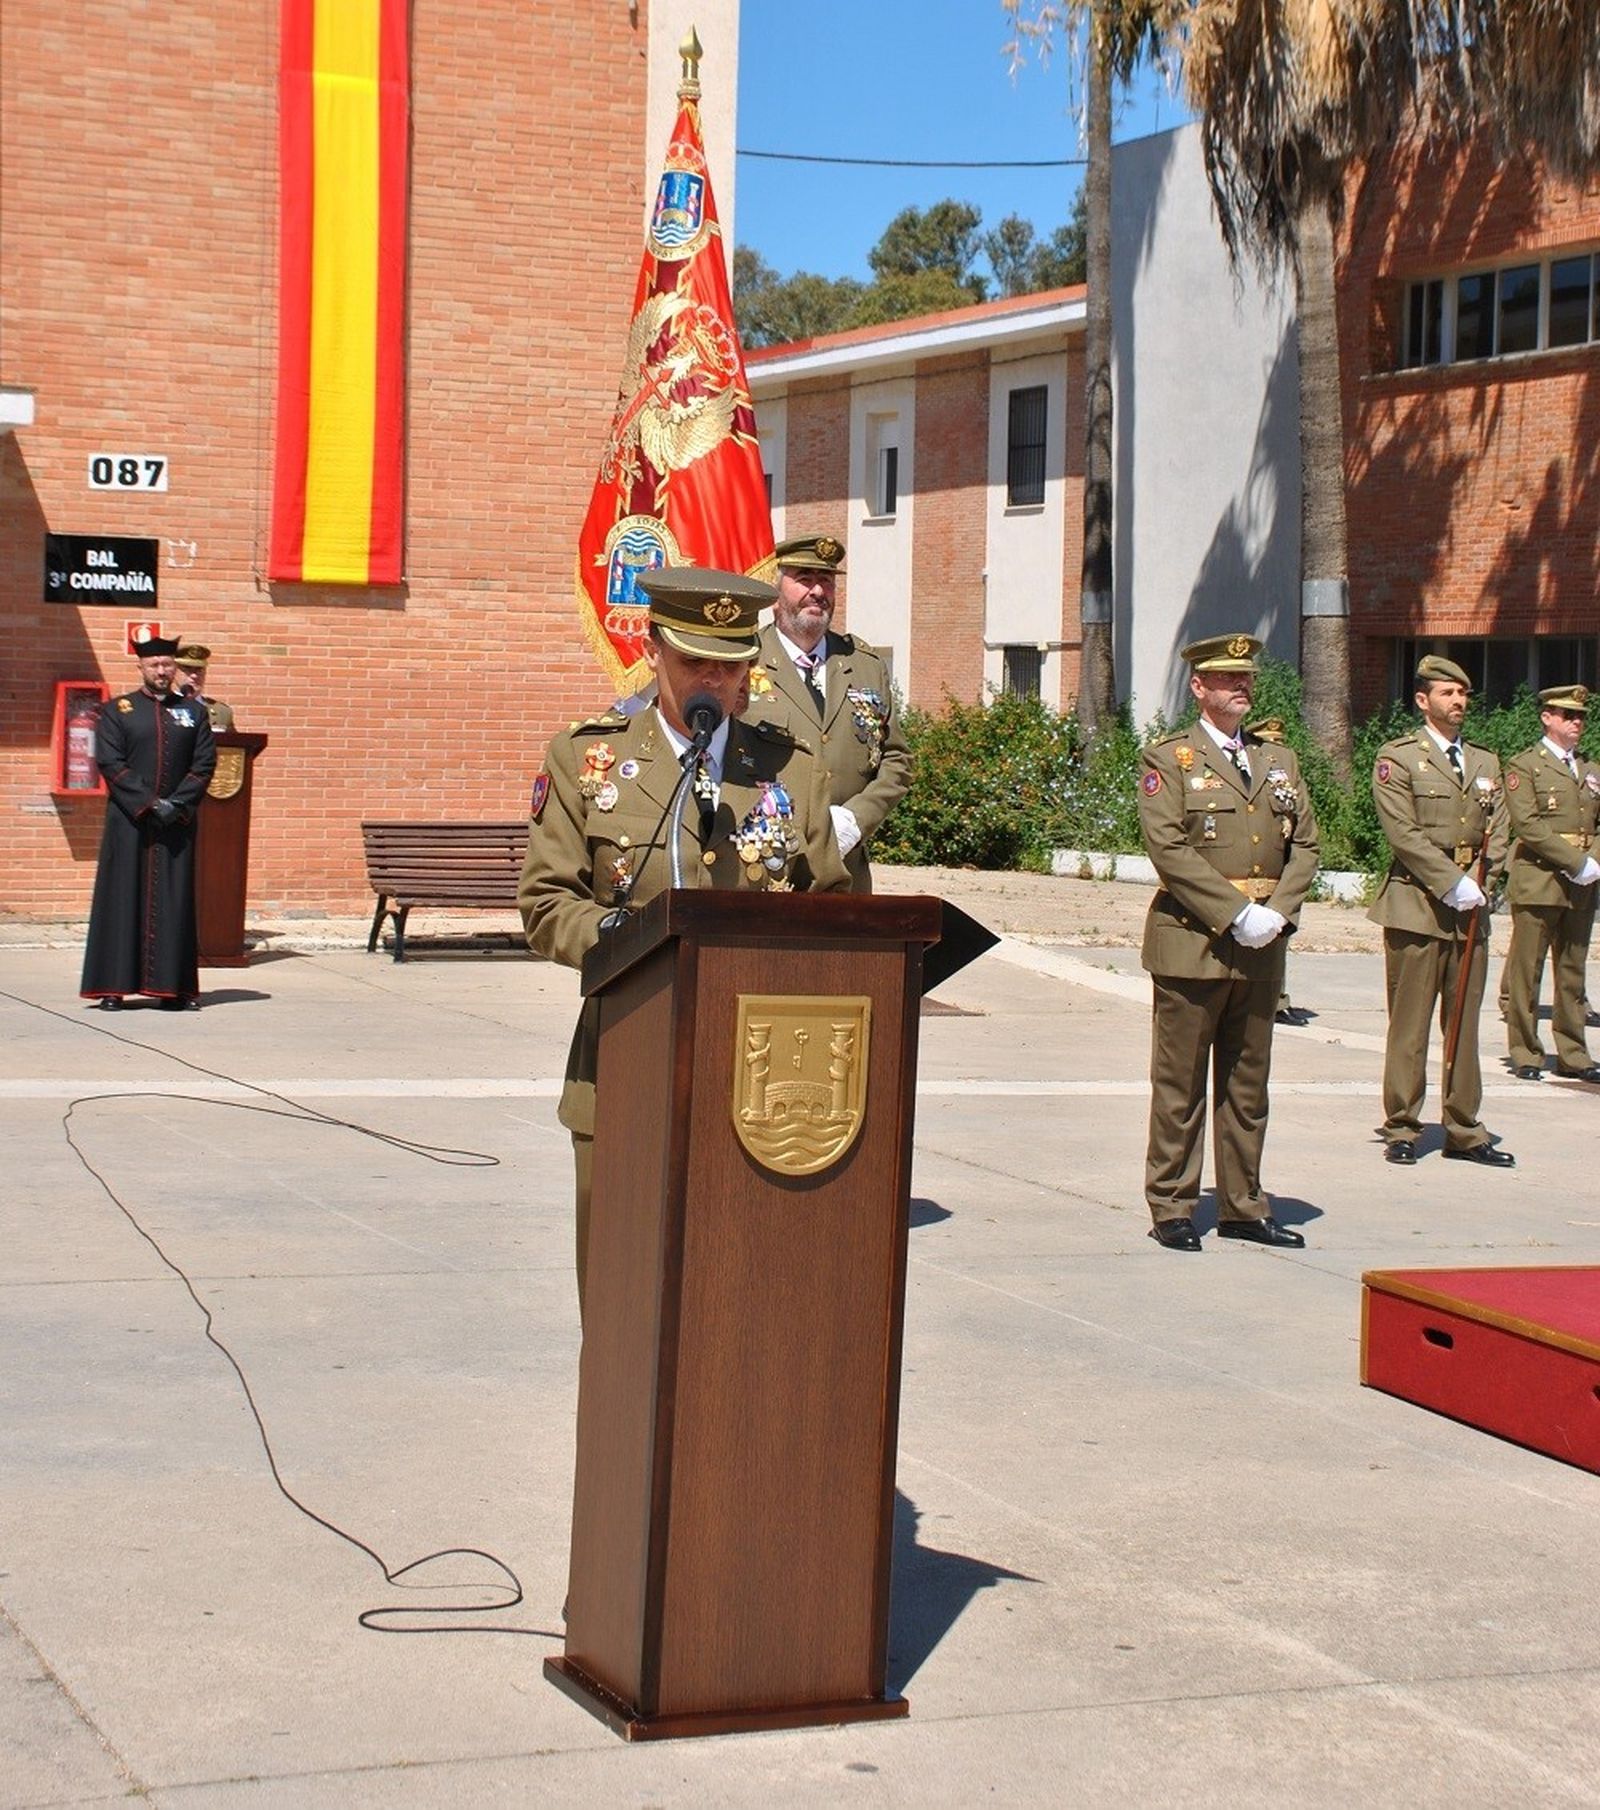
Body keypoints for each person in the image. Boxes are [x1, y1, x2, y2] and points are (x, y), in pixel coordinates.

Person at [519, 566, 850, 1317]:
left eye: (730, 664)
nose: (714, 680)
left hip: (763, 1084)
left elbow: (831, 902)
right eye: (695, 660)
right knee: (619, 1309)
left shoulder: (791, 769)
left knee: (741, 1307)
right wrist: (623, 937)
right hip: (625, 1063)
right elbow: (545, 904)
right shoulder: (585, 760)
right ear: (653, 650)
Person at [1137, 634, 1319, 1252]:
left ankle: (1243, 1203)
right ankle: (1172, 1204)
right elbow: (1169, 848)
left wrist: (1279, 912)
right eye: (1225, 678)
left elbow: (1307, 845)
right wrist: (1235, 912)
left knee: (1247, 1084)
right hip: (1194, 942)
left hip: (1264, 944)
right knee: (1181, 1085)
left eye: (1245, 677)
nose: (1240, 686)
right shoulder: (1170, 759)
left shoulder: (1280, 760)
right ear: (1199, 687)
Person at [1369, 654, 1513, 1166]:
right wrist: (1450, 880)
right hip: (1416, 905)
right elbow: (1402, 833)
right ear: (1422, 700)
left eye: (1464, 694)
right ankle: (1403, 1125)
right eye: (1448, 694)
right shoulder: (1398, 757)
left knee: (1464, 1024)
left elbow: (1502, 830)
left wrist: (1483, 881)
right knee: (1410, 1024)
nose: (1459, 702)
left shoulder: (1485, 762)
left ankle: (1464, 1128)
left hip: (1469, 909)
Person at [744, 533, 911, 892]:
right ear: (776, 592)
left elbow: (896, 759)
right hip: (765, 868)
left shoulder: (864, 665)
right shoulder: (744, 661)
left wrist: (856, 818)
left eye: (826, 581)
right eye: (804, 579)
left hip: (845, 871)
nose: (818, 591)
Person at [79, 628, 217, 1010]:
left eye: (167, 664)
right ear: (141, 665)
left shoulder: (192, 712)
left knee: (174, 902)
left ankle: (173, 989)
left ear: (176, 668)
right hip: (130, 820)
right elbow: (110, 762)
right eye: (154, 663)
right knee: (120, 899)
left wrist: (177, 804)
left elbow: (204, 764)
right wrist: (149, 803)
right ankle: (112, 986)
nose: (161, 669)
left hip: (177, 823)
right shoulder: (117, 710)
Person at [1502, 683, 1600, 1083]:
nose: (1576, 722)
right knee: (1528, 971)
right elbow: (1528, 824)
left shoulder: (1591, 769)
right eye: (1567, 715)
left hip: (1582, 882)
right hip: (1540, 878)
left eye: (1580, 716)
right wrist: (1577, 861)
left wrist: (1592, 862)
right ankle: (1526, 1051)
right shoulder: (1525, 766)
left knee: (1573, 969)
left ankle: (1573, 1052)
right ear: (1547, 718)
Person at [1247, 713, 1311, 1026]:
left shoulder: (1285, 772)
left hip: (1282, 873)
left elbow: (1303, 832)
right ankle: (1272, 999)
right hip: (1251, 875)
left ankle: (1278, 998)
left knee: (1278, 938)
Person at [173, 643, 235, 730]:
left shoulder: (221, 712)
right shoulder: (160, 707)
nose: (194, 675)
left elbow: (232, 742)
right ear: (174, 672)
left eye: (199, 669)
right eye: (187, 669)